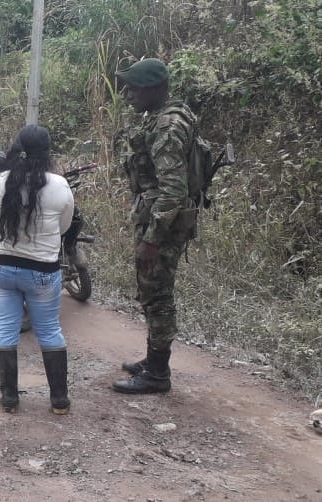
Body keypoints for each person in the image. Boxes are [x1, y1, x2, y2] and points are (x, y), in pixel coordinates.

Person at [0, 124, 74, 414]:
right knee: (49, 330)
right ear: (48, 153)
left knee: (5, 328)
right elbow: (64, 227)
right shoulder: (59, 186)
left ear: (15, 148)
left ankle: (9, 398)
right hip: (42, 272)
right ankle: (58, 401)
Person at [112, 58, 197, 394]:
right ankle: (154, 359)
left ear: (154, 89)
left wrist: (151, 238)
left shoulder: (167, 127)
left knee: (157, 294)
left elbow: (173, 190)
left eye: (134, 88)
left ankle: (158, 374)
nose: (128, 94)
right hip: (160, 221)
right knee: (153, 291)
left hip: (162, 226)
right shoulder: (169, 115)